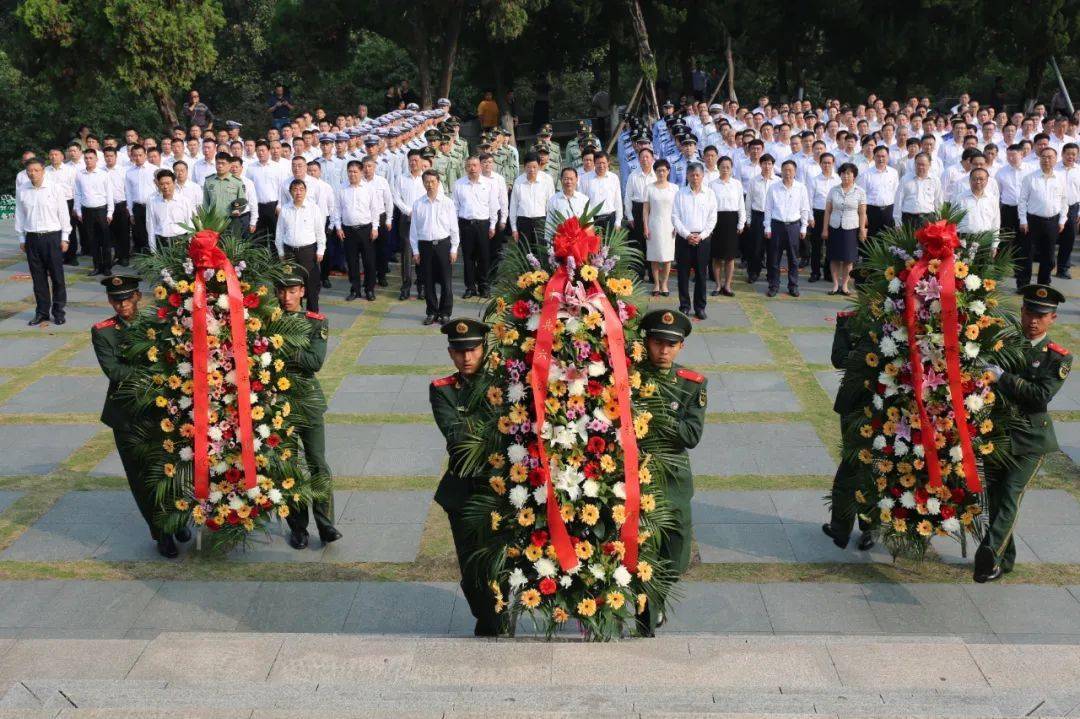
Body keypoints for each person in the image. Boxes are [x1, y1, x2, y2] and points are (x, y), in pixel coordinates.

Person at [975, 285, 1071, 582]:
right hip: (998, 435)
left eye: (1041, 315)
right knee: (995, 499)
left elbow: (1039, 396)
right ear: (1022, 312)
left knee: (1010, 497)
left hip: (1031, 440)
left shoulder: (1058, 358)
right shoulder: (1003, 345)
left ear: (1052, 318)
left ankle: (988, 556)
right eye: (1030, 312)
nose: (1033, 320)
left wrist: (1003, 378)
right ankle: (1007, 558)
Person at [92, 272, 191, 557]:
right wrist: (153, 374)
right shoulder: (103, 331)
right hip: (126, 416)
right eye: (116, 300)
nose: (122, 305)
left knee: (170, 469)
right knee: (141, 477)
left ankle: (178, 517)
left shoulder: (157, 323)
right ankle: (161, 532)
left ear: (138, 296)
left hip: (161, 410)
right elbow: (114, 371)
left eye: (126, 299)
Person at [431, 317, 505, 636]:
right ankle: (487, 615)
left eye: (473, 350)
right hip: (463, 492)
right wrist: (496, 431)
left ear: (484, 349)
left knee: (501, 563)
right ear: (450, 353)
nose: (467, 358)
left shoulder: (504, 385)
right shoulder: (443, 390)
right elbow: (457, 439)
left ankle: (496, 620)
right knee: (472, 567)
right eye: (460, 351)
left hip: (503, 490)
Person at [635, 309, 706, 635]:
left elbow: (692, 436)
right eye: (657, 342)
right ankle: (645, 618)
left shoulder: (692, 385)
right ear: (647, 342)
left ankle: (657, 600)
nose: (663, 350)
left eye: (671, 344)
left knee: (676, 555)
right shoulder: (631, 378)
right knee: (643, 549)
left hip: (674, 480)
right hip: (638, 475)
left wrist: (659, 418)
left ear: (681, 347)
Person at [273, 263, 341, 550]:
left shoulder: (316, 321)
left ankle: (326, 525)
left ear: (302, 291)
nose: (287, 296)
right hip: (279, 406)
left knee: (317, 464)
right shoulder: (267, 321)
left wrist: (279, 346)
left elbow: (315, 362)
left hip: (309, 403)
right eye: (282, 290)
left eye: (292, 290)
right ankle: (298, 528)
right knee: (288, 469)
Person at [821, 307, 876, 552]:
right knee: (851, 463)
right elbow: (838, 358)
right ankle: (841, 526)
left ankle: (869, 527)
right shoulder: (850, 321)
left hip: (881, 405)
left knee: (873, 466)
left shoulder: (897, 322)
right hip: (853, 403)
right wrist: (867, 356)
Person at [15, 158, 69, 326]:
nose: (33, 173)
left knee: (57, 277)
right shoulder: (23, 189)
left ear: (43, 171)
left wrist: (65, 236)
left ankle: (58, 312)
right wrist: (21, 237)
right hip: (32, 237)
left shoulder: (54, 188)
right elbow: (20, 214)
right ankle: (42, 312)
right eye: (30, 170)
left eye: (36, 170)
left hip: (52, 236)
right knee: (38, 279)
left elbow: (63, 213)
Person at [411, 169, 459, 325]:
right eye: (427, 182)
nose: (430, 185)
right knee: (428, 281)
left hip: (443, 245)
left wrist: (454, 248)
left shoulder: (447, 203)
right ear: (423, 183)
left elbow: (454, 228)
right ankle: (431, 311)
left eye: (433, 181)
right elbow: (414, 230)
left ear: (438, 182)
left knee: (446, 281)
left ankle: (445, 312)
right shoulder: (418, 204)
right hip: (425, 246)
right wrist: (415, 251)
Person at [672, 163, 718, 319]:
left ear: (702, 176)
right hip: (684, 239)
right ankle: (684, 305)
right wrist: (687, 235)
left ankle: (700, 307)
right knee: (683, 275)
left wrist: (702, 235)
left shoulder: (710, 194)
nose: (695, 178)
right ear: (687, 176)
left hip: (703, 239)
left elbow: (712, 218)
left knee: (701, 274)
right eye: (692, 175)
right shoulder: (680, 194)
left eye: (698, 175)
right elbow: (675, 217)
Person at [1018, 146, 1067, 288]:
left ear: (1055, 159)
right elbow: (1022, 201)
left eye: (1050, 157)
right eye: (1043, 157)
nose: (1046, 160)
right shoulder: (1029, 178)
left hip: (1052, 221)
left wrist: (1062, 220)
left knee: (1049, 256)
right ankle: (1023, 284)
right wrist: (1023, 220)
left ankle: (1043, 284)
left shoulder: (1060, 178)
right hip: (1032, 221)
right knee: (1027, 254)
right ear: (1039, 158)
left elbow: (1064, 200)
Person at [275, 179, 326, 312]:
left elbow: (320, 231)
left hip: (308, 252)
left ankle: (313, 316)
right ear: (290, 192)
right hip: (289, 253)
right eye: (295, 189)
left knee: (311, 287)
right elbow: (279, 233)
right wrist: (281, 252)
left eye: (301, 189)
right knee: (290, 285)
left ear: (306, 191)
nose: (298, 192)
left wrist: (321, 250)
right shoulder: (285, 208)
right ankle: (293, 316)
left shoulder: (313, 208)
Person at [334, 160, 381, 301]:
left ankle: (369, 289)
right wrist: (338, 227)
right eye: (350, 171)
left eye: (355, 171)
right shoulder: (341, 188)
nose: (352, 174)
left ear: (361, 172)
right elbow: (336, 209)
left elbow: (375, 209)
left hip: (366, 230)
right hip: (348, 230)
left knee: (369, 262)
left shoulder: (369, 188)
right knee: (352, 262)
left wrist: (375, 227)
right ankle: (355, 290)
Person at [453, 156, 499, 299]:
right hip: (466, 225)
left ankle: (484, 286)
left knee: (484, 257)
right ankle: (470, 287)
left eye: (475, 165)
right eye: (469, 166)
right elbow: (455, 207)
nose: (472, 168)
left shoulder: (488, 184)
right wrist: (455, 228)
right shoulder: (459, 184)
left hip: (483, 225)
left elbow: (493, 206)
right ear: (465, 168)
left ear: (480, 167)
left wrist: (492, 225)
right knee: (468, 258)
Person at [763, 159, 810, 297]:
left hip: (794, 226)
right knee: (774, 258)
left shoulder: (801, 188)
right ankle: (773, 285)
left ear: (795, 172)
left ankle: (793, 286)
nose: (787, 173)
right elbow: (768, 209)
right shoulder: (773, 187)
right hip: (776, 226)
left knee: (793, 259)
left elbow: (804, 209)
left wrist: (804, 227)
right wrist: (767, 227)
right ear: (781, 171)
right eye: (785, 170)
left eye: (790, 170)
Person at [822, 162, 867, 296]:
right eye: (843, 173)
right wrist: (825, 229)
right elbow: (828, 211)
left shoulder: (860, 191)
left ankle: (845, 285)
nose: (846, 176)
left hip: (851, 228)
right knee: (834, 257)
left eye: (849, 173)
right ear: (840, 175)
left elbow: (862, 212)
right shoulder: (833, 190)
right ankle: (835, 285)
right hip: (835, 227)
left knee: (848, 258)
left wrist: (862, 229)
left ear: (854, 176)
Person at [392, 148, 429, 301]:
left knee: (423, 254)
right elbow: (396, 197)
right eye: (411, 160)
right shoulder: (401, 178)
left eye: (416, 160)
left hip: (424, 220)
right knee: (407, 254)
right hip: (407, 220)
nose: (413, 163)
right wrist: (409, 211)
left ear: (421, 162)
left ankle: (421, 286)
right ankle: (405, 286)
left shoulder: (427, 178)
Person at [73, 148, 114, 277]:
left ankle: (107, 267)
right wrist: (78, 210)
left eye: (91, 158)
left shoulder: (103, 174)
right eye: (86, 158)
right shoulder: (79, 174)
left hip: (101, 210)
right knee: (93, 241)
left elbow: (109, 194)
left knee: (105, 241)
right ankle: (97, 266)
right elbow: (77, 193)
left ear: (96, 159)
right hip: (86, 211)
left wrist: (110, 212)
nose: (88, 160)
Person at [708, 156, 745, 296]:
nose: (725, 169)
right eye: (722, 167)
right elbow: (709, 206)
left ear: (731, 169)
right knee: (717, 256)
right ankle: (718, 285)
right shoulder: (712, 185)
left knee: (730, 257)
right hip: (717, 221)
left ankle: (728, 285)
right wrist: (709, 226)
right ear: (718, 168)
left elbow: (741, 204)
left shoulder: (737, 184)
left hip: (732, 220)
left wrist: (741, 222)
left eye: (728, 167)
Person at [624, 147, 657, 279]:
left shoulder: (657, 175)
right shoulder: (633, 175)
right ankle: (639, 274)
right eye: (642, 157)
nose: (644, 159)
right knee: (638, 243)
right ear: (638, 159)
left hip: (653, 210)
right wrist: (630, 216)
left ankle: (653, 274)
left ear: (652, 159)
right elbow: (627, 197)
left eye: (647, 157)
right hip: (637, 210)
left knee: (652, 242)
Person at [808, 152, 839, 283]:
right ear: (820, 164)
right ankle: (815, 272)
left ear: (833, 164)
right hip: (818, 214)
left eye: (829, 163)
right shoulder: (814, 180)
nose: (826, 165)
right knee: (816, 246)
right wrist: (810, 217)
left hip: (834, 214)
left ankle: (828, 273)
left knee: (831, 245)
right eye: (824, 163)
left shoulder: (838, 179)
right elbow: (808, 200)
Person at [509, 153, 554, 246]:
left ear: (539, 165)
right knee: (525, 254)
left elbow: (551, 205)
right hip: (523, 222)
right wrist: (514, 229)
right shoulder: (518, 181)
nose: (532, 170)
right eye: (528, 167)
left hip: (541, 222)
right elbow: (513, 206)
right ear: (524, 167)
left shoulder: (547, 180)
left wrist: (550, 228)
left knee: (541, 254)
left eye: (534, 167)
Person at [145, 170, 194, 251]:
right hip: (162, 242)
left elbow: (190, 224)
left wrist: (191, 247)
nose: (165, 187)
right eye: (162, 184)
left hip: (181, 241)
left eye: (168, 183)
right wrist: (153, 250)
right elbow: (150, 226)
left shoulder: (184, 201)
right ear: (158, 185)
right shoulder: (153, 202)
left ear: (174, 183)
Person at [203, 152, 247, 236]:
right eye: (218, 163)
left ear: (230, 165)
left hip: (232, 221)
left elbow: (242, 201)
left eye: (223, 163)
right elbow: (205, 203)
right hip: (214, 221)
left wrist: (238, 210)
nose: (220, 166)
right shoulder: (209, 181)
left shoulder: (237, 182)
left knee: (230, 248)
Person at [125, 145, 158, 254]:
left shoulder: (155, 170)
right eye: (135, 155)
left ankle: (153, 259)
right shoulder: (129, 172)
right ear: (131, 156)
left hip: (152, 206)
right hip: (137, 207)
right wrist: (131, 212)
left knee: (152, 233)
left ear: (145, 155)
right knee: (139, 235)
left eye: (140, 155)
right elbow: (128, 193)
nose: (138, 158)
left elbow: (160, 190)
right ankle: (143, 261)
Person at [102, 147, 131, 267]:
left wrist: (129, 206)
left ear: (116, 157)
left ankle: (124, 256)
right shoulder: (100, 171)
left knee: (123, 231)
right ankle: (116, 255)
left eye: (111, 156)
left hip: (121, 204)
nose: (109, 158)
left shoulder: (123, 171)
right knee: (110, 232)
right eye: (106, 156)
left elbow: (128, 190)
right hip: (107, 206)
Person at [1055, 142, 1080, 278]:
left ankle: (1063, 269)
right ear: (1062, 154)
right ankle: (1048, 265)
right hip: (1055, 208)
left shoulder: (1079, 170)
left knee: (1068, 240)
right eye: (1068, 154)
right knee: (1051, 238)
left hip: (1072, 208)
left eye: (1074, 154)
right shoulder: (1054, 169)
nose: (1071, 157)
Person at [584, 151, 622, 236]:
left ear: (608, 162)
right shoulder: (585, 179)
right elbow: (582, 202)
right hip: (592, 220)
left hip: (610, 219)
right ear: (594, 163)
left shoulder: (614, 178)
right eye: (598, 163)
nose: (601, 166)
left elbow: (618, 201)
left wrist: (618, 221)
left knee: (610, 248)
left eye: (603, 163)